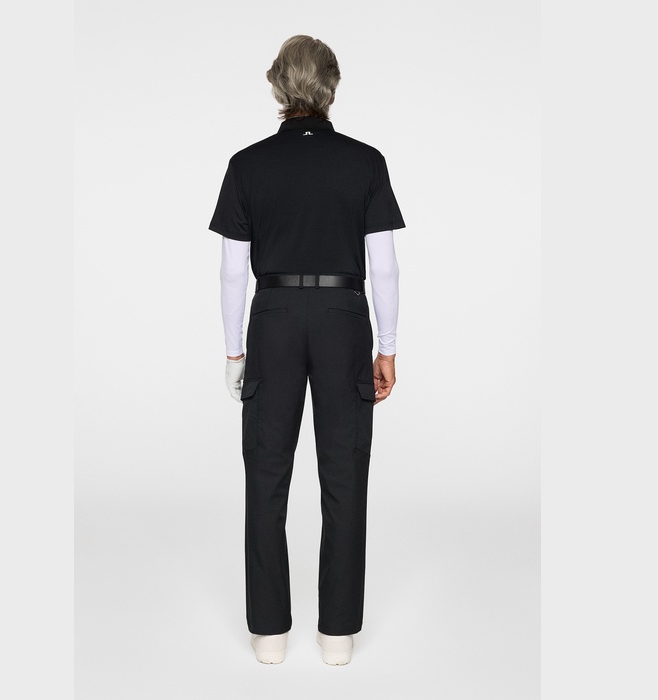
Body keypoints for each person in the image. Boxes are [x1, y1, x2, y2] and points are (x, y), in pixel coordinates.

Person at [208, 35, 405, 665]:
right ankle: (337, 633)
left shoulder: (247, 165)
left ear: (277, 85)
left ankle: (269, 632)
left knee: (266, 473)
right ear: (332, 86)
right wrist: (388, 347)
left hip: (273, 318)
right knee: (345, 474)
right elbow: (384, 266)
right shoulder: (365, 162)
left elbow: (233, 271)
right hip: (345, 317)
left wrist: (234, 353)